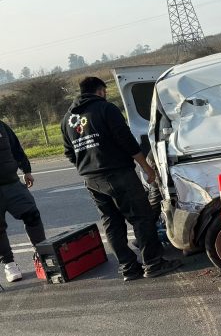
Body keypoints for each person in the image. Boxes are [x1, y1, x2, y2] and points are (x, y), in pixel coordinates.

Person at [61, 76, 181, 282]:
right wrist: (146, 168)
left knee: (112, 223)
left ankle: (128, 268)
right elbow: (126, 140)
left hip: (92, 179)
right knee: (141, 217)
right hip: (117, 173)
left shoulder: (67, 120)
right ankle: (153, 263)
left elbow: (69, 153)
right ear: (100, 91)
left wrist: (88, 167)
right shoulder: (105, 109)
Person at [0, 118, 46, 283]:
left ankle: (42, 253)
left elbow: (16, 148)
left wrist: (26, 169)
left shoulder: (2, 126)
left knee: (32, 215)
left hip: (12, 183)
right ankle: (9, 263)